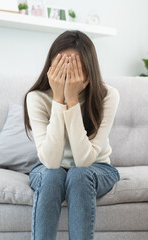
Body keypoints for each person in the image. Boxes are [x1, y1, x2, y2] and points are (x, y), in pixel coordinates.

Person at [23, 30, 120, 240]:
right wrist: (58, 99)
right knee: (52, 176)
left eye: (75, 67)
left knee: (78, 175)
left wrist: (72, 100)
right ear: (51, 67)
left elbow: (84, 161)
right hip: (49, 168)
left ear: (89, 69)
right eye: (61, 66)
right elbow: (50, 161)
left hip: (97, 167)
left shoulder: (108, 96)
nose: (68, 74)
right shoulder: (36, 98)